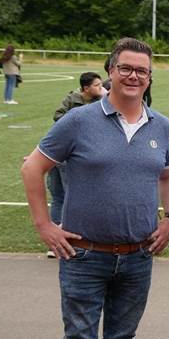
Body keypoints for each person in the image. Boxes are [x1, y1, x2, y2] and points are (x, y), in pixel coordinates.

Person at [21, 37, 169, 339]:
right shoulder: (78, 120)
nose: (133, 76)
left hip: (136, 256)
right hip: (83, 253)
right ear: (110, 71)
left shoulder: (160, 125)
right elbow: (32, 167)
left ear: (149, 78)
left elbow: (168, 174)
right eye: (125, 68)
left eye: (141, 71)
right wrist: (45, 226)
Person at [46, 72, 105, 230]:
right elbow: (57, 116)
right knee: (60, 196)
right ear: (86, 88)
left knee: (70, 196)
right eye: (97, 85)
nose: (101, 88)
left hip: (74, 154)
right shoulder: (72, 99)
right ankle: (59, 233)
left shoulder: (102, 102)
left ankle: (68, 232)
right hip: (60, 153)